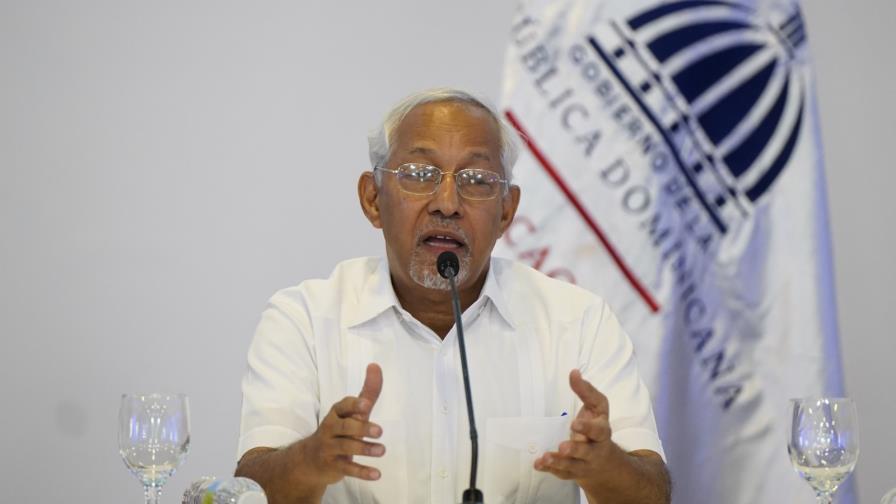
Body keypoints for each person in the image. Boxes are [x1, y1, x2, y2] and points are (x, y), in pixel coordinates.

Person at [234, 88, 671, 504]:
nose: (447, 203)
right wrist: (313, 458)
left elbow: (652, 494)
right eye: (419, 175)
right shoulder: (305, 320)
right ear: (372, 199)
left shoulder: (579, 322)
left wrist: (604, 465)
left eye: (477, 180)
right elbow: (251, 489)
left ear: (506, 211)